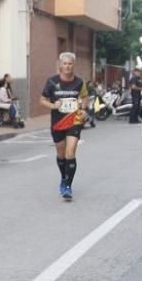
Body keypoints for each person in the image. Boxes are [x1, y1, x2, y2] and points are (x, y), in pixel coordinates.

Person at [40, 52, 89, 201]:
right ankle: (64, 177)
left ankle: (68, 186)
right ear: (60, 65)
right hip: (58, 122)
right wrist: (53, 105)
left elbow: (85, 97)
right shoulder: (52, 82)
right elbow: (42, 100)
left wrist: (84, 109)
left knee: (70, 152)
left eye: (70, 63)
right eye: (65, 64)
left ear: (74, 65)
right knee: (61, 155)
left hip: (74, 120)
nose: (68, 66)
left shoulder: (79, 82)